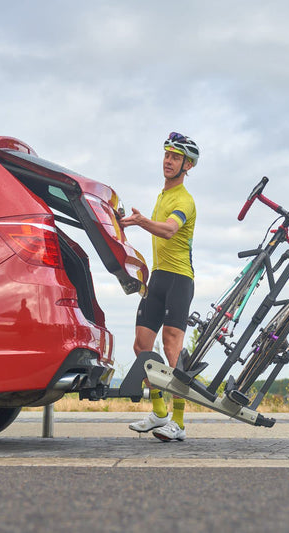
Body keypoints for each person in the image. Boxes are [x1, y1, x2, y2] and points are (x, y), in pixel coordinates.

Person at [119, 132, 199, 442]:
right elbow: (153, 225)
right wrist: (126, 222)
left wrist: (141, 223)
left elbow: (168, 230)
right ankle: (159, 413)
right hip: (157, 278)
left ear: (187, 165)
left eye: (176, 157)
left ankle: (177, 423)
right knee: (141, 346)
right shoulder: (162, 195)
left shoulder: (184, 201)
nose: (168, 160)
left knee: (172, 349)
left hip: (179, 279)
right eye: (166, 154)